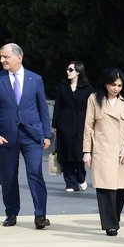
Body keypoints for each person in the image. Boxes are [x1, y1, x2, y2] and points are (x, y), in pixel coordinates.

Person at [0, 43, 52, 229]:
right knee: (8, 176)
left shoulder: (35, 79)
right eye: (1, 57)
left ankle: (40, 215)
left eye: (6, 57)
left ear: (19, 57)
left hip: (32, 134)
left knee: (35, 173)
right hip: (6, 136)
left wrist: (46, 134)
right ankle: (11, 213)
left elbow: (42, 108)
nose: (2, 60)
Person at [82, 69, 124, 236]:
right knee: (106, 189)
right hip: (103, 150)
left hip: (123, 151)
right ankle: (110, 224)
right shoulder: (94, 99)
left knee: (121, 189)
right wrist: (87, 151)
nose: (116, 88)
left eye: (119, 85)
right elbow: (88, 126)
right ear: (106, 84)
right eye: (113, 85)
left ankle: (115, 218)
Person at [53, 61, 93, 192]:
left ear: (78, 72)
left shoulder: (88, 89)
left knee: (78, 153)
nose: (68, 72)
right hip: (64, 123)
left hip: (81, 123)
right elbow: (57, 105)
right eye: (67, 69)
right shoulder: (63, 86)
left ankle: (81, 177)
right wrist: (54, 125)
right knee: (65, 153)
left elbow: (92, 108)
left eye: (71, 70)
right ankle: (70, 183)